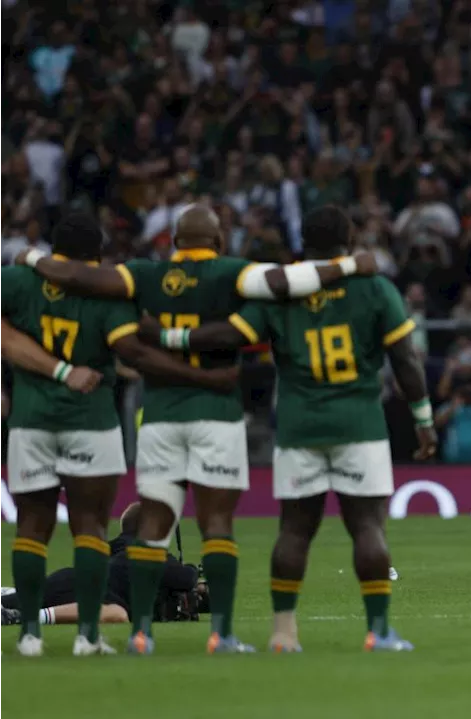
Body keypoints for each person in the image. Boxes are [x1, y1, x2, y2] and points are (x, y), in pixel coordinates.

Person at [17, 204, 378, 655]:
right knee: (217, 524)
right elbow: (286, 283)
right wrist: (350, 264)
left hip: (160, 416)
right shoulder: (232, 272)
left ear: (173, 243)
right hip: (216, 416)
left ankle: (141, 634)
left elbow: (82, 278)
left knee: (150, 526)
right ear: (219, 241)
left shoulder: (145, 275)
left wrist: (33, 259)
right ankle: (222, 634)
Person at [177, 206, 437, 652]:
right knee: (368, 527)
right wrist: (424, 421)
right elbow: (406, 361)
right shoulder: (373, 287)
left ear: (304, 242)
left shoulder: (281, 295)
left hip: (299, 425)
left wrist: (174, 338)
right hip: (359, 423)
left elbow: (237, 338)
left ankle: (283, 632)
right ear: (350, 238)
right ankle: (378, 631)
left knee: (294, 530)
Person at [2, 211, 239, 657]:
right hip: (91, 422)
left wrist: (47, 369)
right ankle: (87, 637)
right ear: (97, 254)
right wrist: (198, 376)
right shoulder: (106, 294)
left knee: (31, 529)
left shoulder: (17, 282)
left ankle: (29, 636)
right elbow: (131, 351)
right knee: (90, 529)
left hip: (32, 419)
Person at [1, 503, 200, 628]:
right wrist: (192, 568)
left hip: (68, 578)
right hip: (93, 596)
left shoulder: (114, 549)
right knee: (118, 613)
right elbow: (186, 579)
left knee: (19, 598)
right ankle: (25, 617)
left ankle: (11, 604)